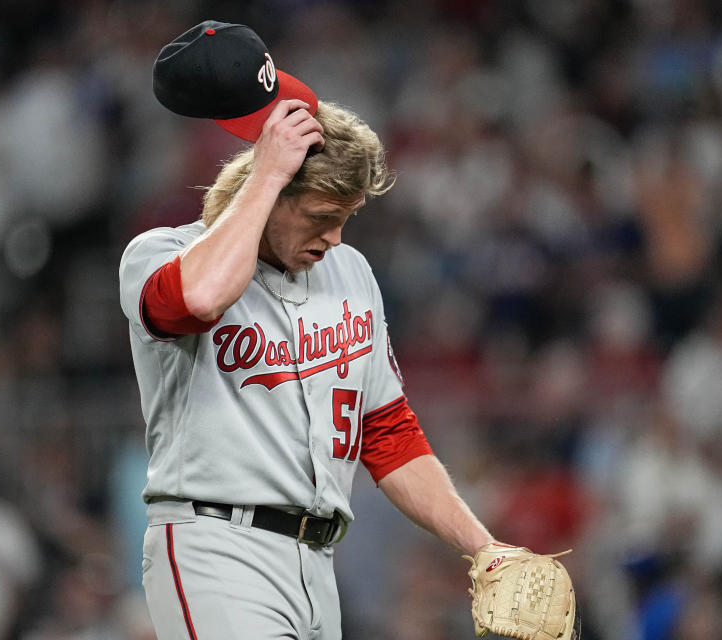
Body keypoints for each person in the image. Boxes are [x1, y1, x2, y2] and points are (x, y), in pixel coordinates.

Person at [120, 21, 496, 639]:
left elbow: (388, 435)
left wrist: (483, 546)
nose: (335, 238)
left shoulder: (350, 272)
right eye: (322, 217)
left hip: (319, 564)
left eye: (346, 218)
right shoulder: (159, 253)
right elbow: (202, 297)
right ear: (271, 193)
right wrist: (266, 176)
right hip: (218, 549)